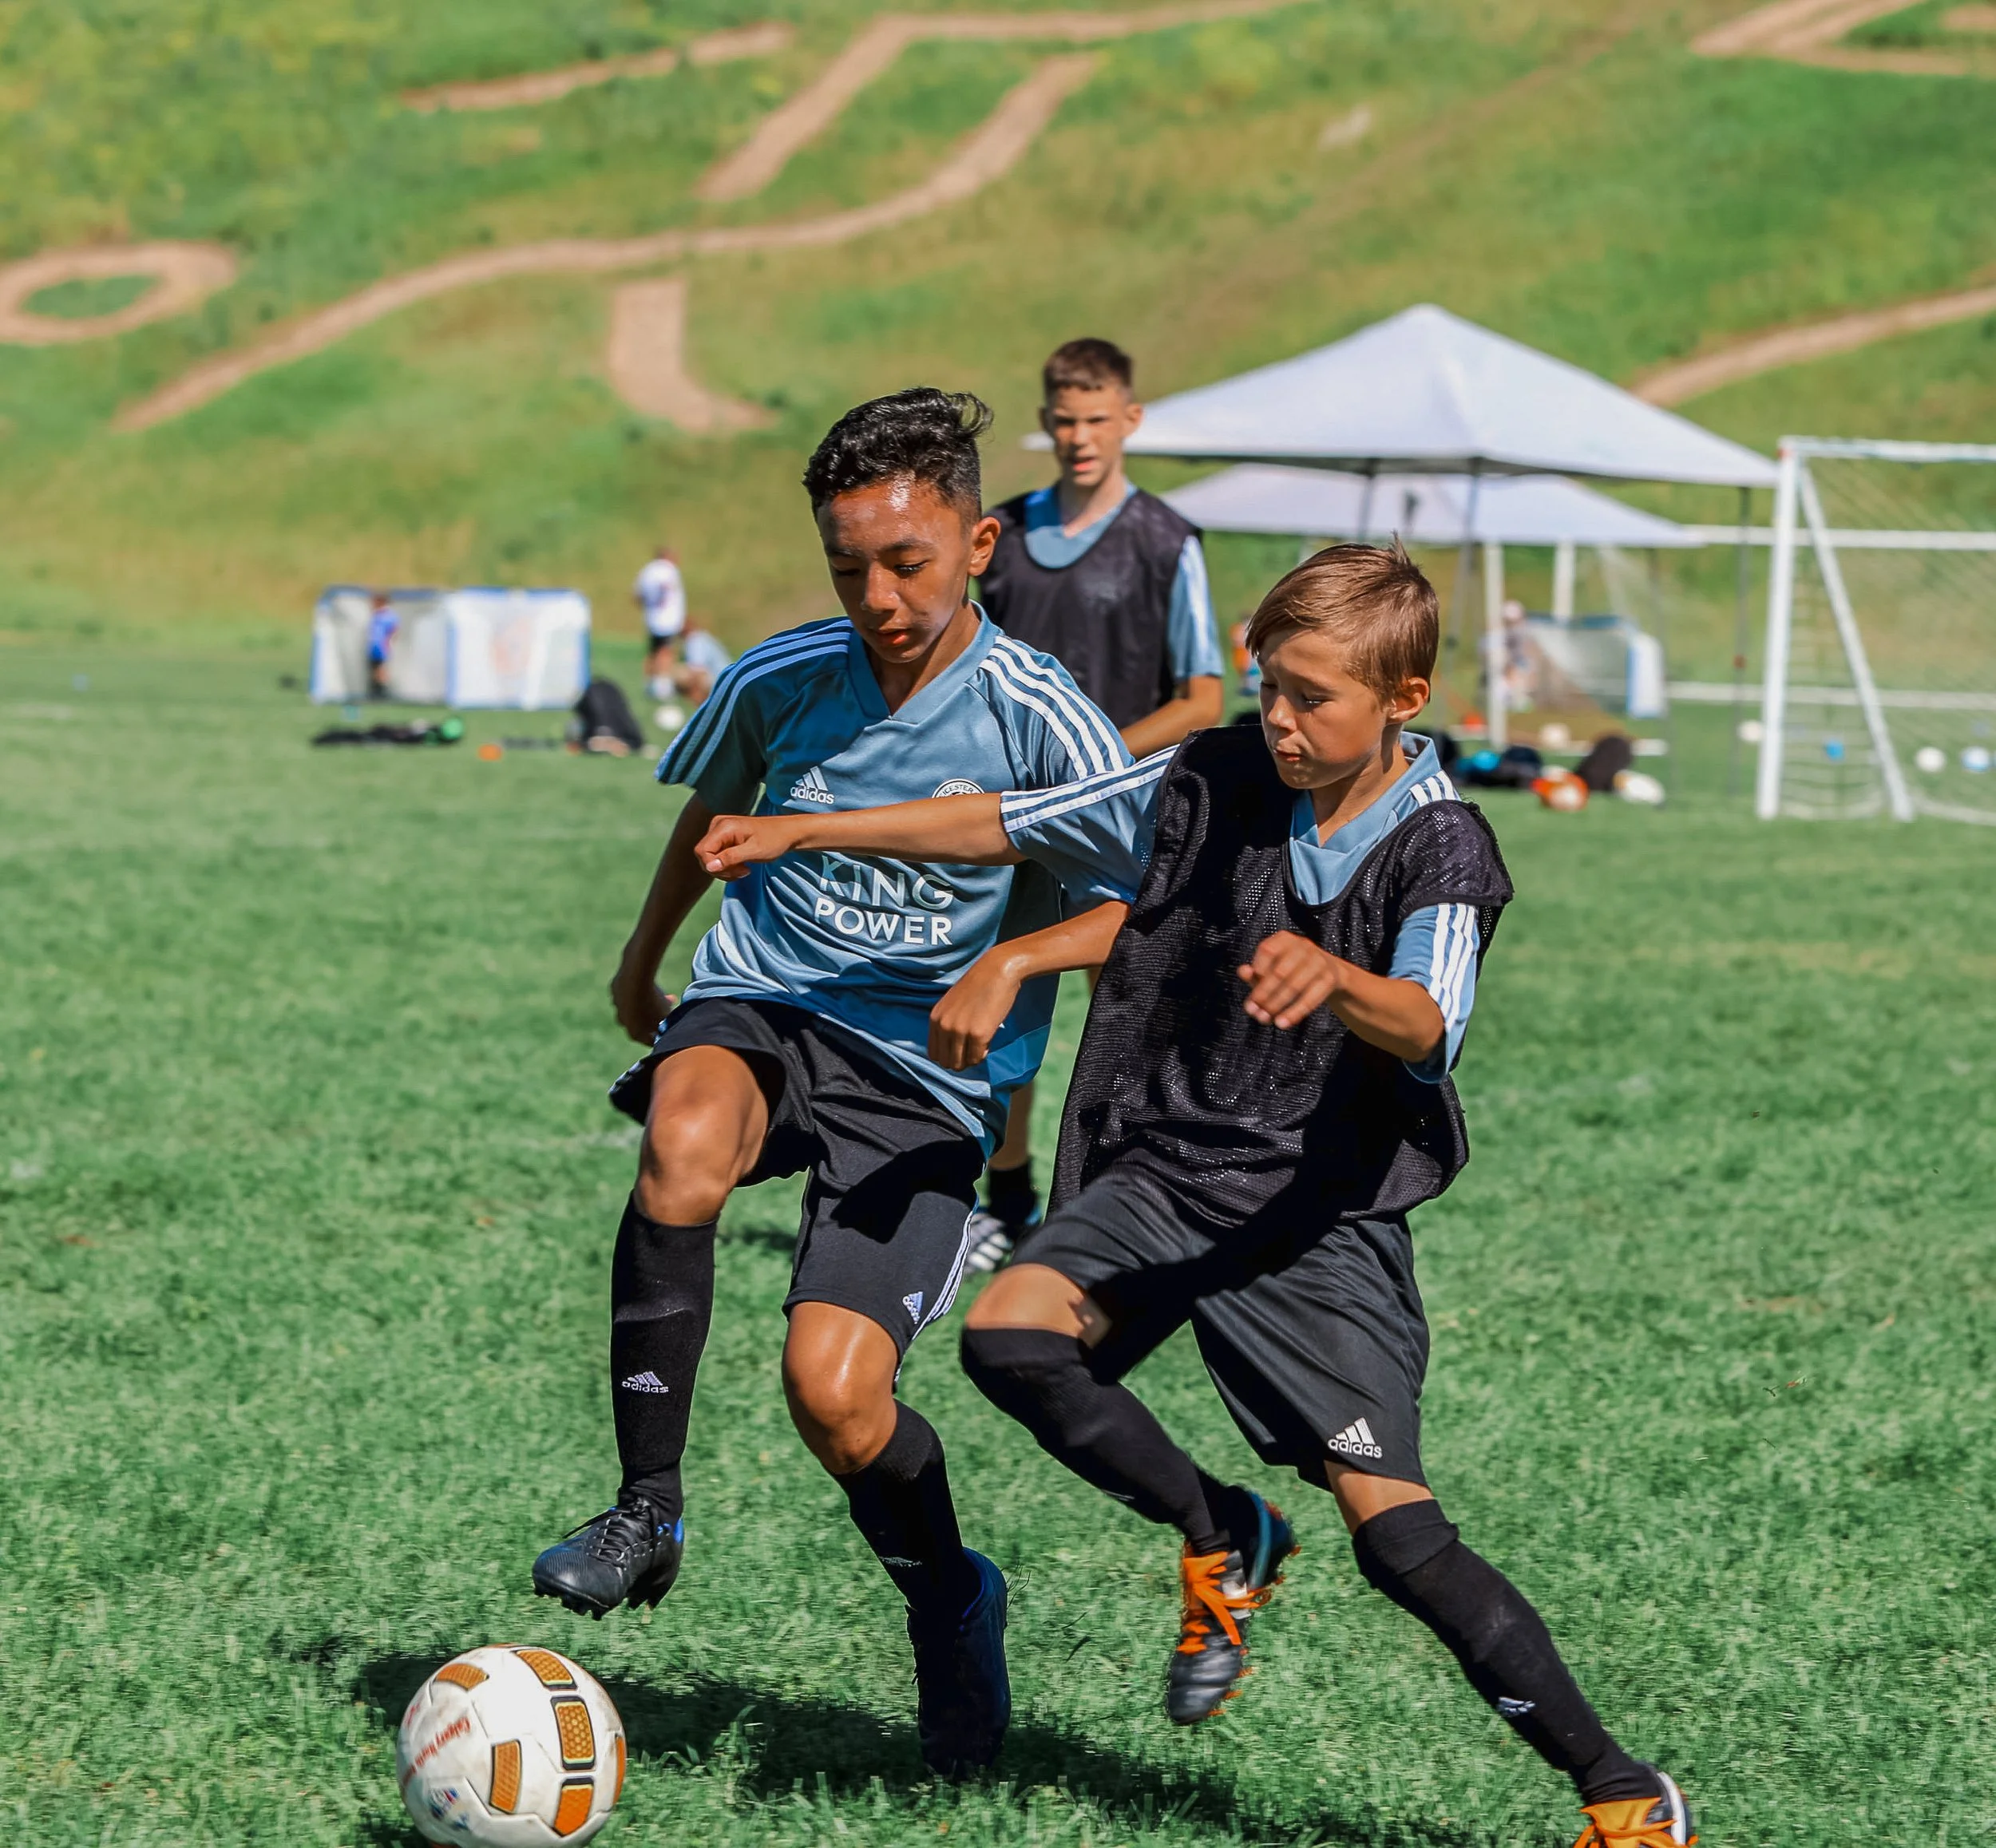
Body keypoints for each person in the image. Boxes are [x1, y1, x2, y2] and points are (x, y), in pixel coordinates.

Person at [692, 543, 1697, 1847]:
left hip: (1311, 1212)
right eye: (1271, 686)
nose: (1280, 719)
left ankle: (1622, 1791)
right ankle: (1223, 1531)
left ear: (1404, 697)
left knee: (1398, 1540)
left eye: (1313, 699)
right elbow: (1012, 821)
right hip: (1169, 1167)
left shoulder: (1443, 845)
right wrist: (810, 830)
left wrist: (1337, 984)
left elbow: (1429, 1016)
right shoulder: (1215, 772)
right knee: (1011, 1337)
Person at [531, 389, 1131, 1779]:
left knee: (836, 1393)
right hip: (767, 998)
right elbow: (717, 810)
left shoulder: (1041, 715)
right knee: (683, 1141)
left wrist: (1019, 958)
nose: (876, 595)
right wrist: (645, 962)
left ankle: (950, 1597)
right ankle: (646, 1511)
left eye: (906, 562)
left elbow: (1148, 906)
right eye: (848, 565)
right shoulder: (781, 676)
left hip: (918, 1077)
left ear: (979, 543)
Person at [968, 337, 1226, 1269]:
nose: (1080, 437)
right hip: (1011, 819)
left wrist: (1096, 762)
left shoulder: (1166, 540)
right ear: (1044, 423)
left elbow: (1204, 696)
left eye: (1096, 419)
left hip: (1126, 818)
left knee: (1131, 1010)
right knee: (1003, 1002)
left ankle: (1146, 1199)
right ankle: (1002, 1201)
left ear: (1131, 419)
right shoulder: (997, 535)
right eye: (1064, 420)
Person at [635, 544, 688, 696]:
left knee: (653, 651)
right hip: (667, 618)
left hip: (652, 617)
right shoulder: (668, 570)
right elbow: (667, 589)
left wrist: (649, 606)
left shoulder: (648, 570)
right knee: (666, 651)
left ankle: (649, 683)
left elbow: (637, 595)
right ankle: (662, 686)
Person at [366, 592, 398, 698]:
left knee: (381, 669)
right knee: (374, 668)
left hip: (381, 646)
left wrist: (388, 642)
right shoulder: (376, 614)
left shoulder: (389, 615)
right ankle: (376, 691)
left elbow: (394, 630)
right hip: (374, 646)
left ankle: (383, 691)